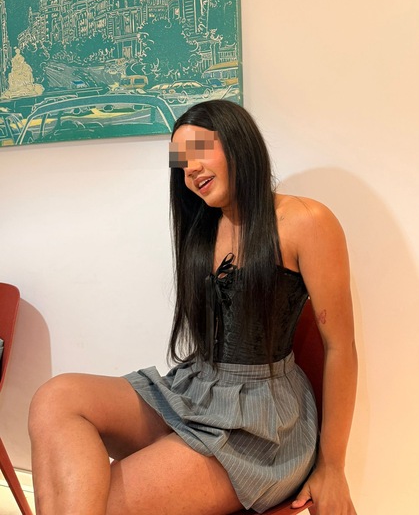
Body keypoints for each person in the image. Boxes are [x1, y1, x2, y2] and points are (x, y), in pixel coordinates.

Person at [28, 99, 357, 514]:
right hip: (196, 389)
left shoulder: (306, 220)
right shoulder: (204, 226)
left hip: (262, 426)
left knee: (95, 501)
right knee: (55, 398)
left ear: (238, 141)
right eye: (181, 164)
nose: (191, 171)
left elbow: (340, 346)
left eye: (200, 151)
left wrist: (333, 466)